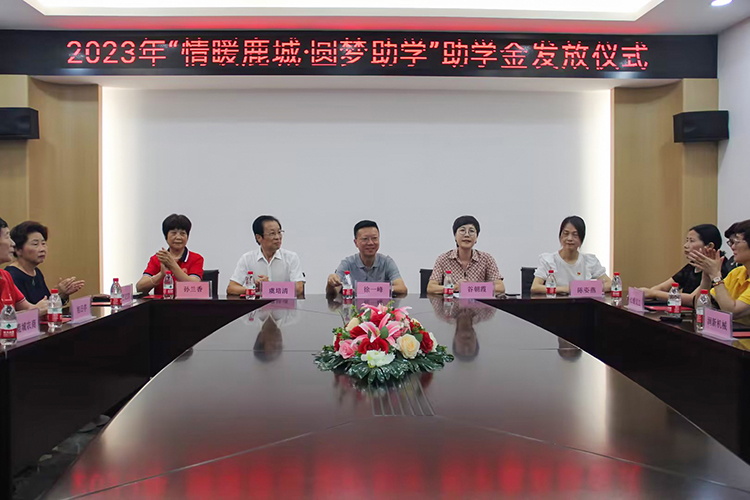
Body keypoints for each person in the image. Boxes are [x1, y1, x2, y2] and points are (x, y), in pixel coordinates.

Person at [640, 224, 732, 305]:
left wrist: (653, 294)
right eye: (687, 240)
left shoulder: (719, 269)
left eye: (691, 241)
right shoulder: (692, 265)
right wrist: (648, 292)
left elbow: (692, 299)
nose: (686, 245)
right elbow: (664, 287)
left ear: (709, 246)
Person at [6, 221, 85, 305]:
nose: (42, 249)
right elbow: (18, 311)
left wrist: (61, 294)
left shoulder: (36, 272)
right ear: (18, 250)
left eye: (43, 243)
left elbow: (47, 306)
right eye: (35, 244)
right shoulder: (11, 276)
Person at [689, 219, 750, 325]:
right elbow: (701, 307)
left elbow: (732, 312)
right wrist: (706, 276)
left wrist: (715, 275)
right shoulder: (737, 273)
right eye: (731, 243)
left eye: (736, 242)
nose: (732, 247)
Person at [530, 215, 611, 294]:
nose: (569, 238)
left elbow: (610, 284)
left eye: (575, 235)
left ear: (581, 238)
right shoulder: (549, 260)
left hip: (583, 302)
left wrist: (584, 288)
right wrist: (566, 289)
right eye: (566, 233)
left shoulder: (589, 260)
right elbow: (535, 287)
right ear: (560, 236)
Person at [227, 215, 305, 297]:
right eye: (272, 233)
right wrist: (255, 289)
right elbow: (232, 288)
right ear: (259, 237)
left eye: (279, 232)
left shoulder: (291, 257)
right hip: (258, 305)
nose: (277, 237)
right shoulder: (247, 259)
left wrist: (268, 287)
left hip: (284, 304)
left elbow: (299, 288)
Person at [426, 215, 505, 295]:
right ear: (455, 236)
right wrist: (455, 287)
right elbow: (431, 288)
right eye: (462, 230)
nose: (467, 235)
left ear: (476, 238)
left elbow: (500, 287)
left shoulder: (486, 259)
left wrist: (470, 288)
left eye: (471, 231)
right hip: (450, 302)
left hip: (478, 303)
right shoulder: (443, 259)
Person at [326, 220, 407, 295]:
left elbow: (402, 288)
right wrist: (330, 283)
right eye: (365, 239)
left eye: (374, 238)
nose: (370, 243)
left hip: (381, 305)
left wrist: (376, 290)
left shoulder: (387, 262)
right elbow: (333, 292)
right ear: (356, 242)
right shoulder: (347, 263)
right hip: (354, 306)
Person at [136, 214, 204, 295]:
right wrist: (161, 274)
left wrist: (172, 264)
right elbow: (140, 287)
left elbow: (195, 285)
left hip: (186, 302)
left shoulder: (196, 258)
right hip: (162, 303)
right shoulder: (158, 258)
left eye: (182, 233)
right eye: (173, 233)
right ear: (166, 237)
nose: (178, 237)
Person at [0, 217, 45, 311]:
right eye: (7, 237)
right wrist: (36, 311)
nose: (13, 243)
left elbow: (28, 308)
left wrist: (59, 297)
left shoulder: (5, 275)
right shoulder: (13, 273)